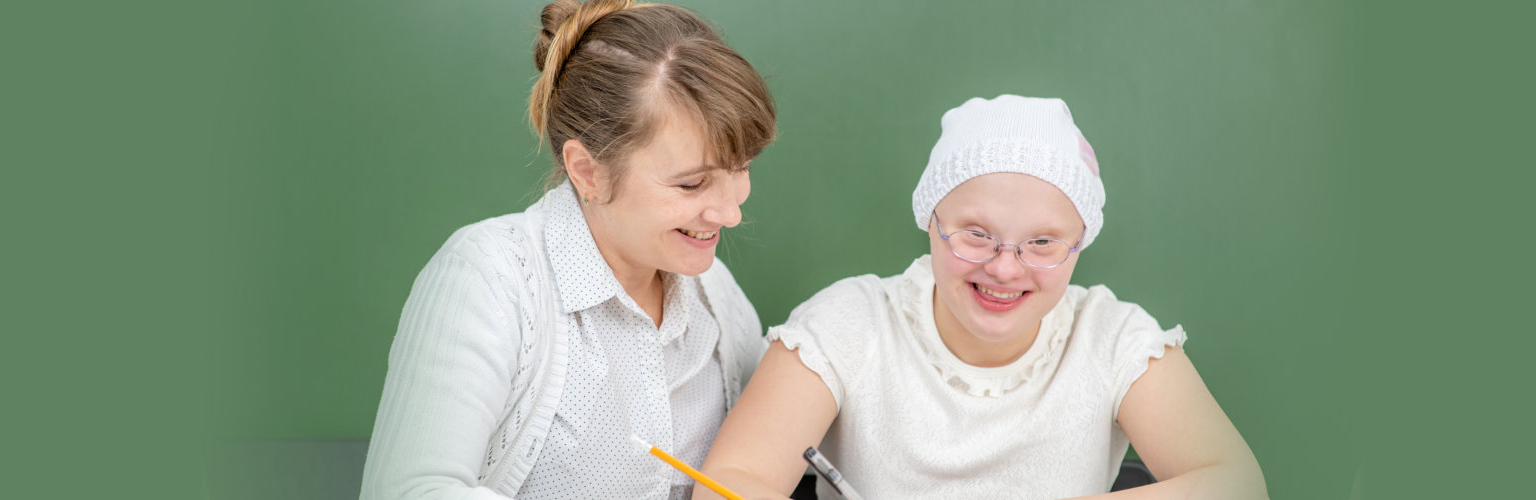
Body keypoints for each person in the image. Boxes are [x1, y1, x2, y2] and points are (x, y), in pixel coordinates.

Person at [697, 95, 1267, 499]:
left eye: (1042, 243)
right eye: (975, 234)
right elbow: (732, 480)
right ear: (930, 220)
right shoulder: (849, 323)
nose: (1003, 266)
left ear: (1080, 243)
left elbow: (1237, 484)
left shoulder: (1112, 337)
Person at [358, 1, 777, 498]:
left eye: (741, 168)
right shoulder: (490, 279)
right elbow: (412, 490)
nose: (730, 213)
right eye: (691, 185)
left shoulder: (717, 300)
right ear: (587, 172)